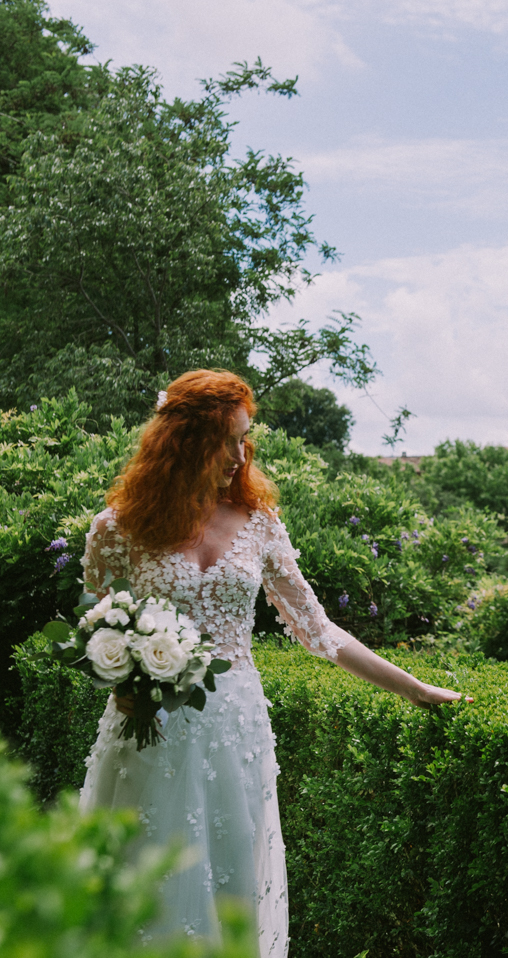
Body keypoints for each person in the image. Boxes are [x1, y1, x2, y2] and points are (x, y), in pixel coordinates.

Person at [78, 369, 461, 957]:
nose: (241, 453)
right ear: (185, 442)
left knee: (227, 880)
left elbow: (318, 630)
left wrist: (413, 688)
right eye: (228, 439)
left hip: (234, 728)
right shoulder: (118, 528)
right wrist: (121, 682)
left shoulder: (260, 525)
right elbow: (98, 625)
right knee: (143, 879)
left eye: (244, 437)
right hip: (146, 730)